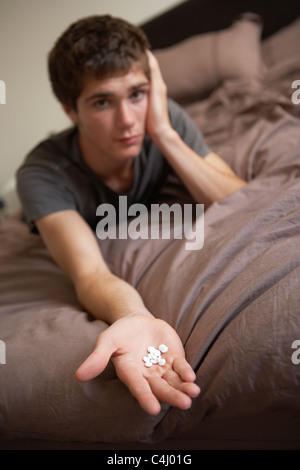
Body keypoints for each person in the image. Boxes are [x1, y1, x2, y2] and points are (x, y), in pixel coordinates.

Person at [17, 15, 246, 416]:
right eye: (103, 102)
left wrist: (164, 134)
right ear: (71, 110)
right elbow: (89, 273)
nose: (127, 121)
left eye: (138, 93)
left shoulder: (163, 119)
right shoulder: (42, 174)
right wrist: (134, 316)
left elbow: (239, 199)